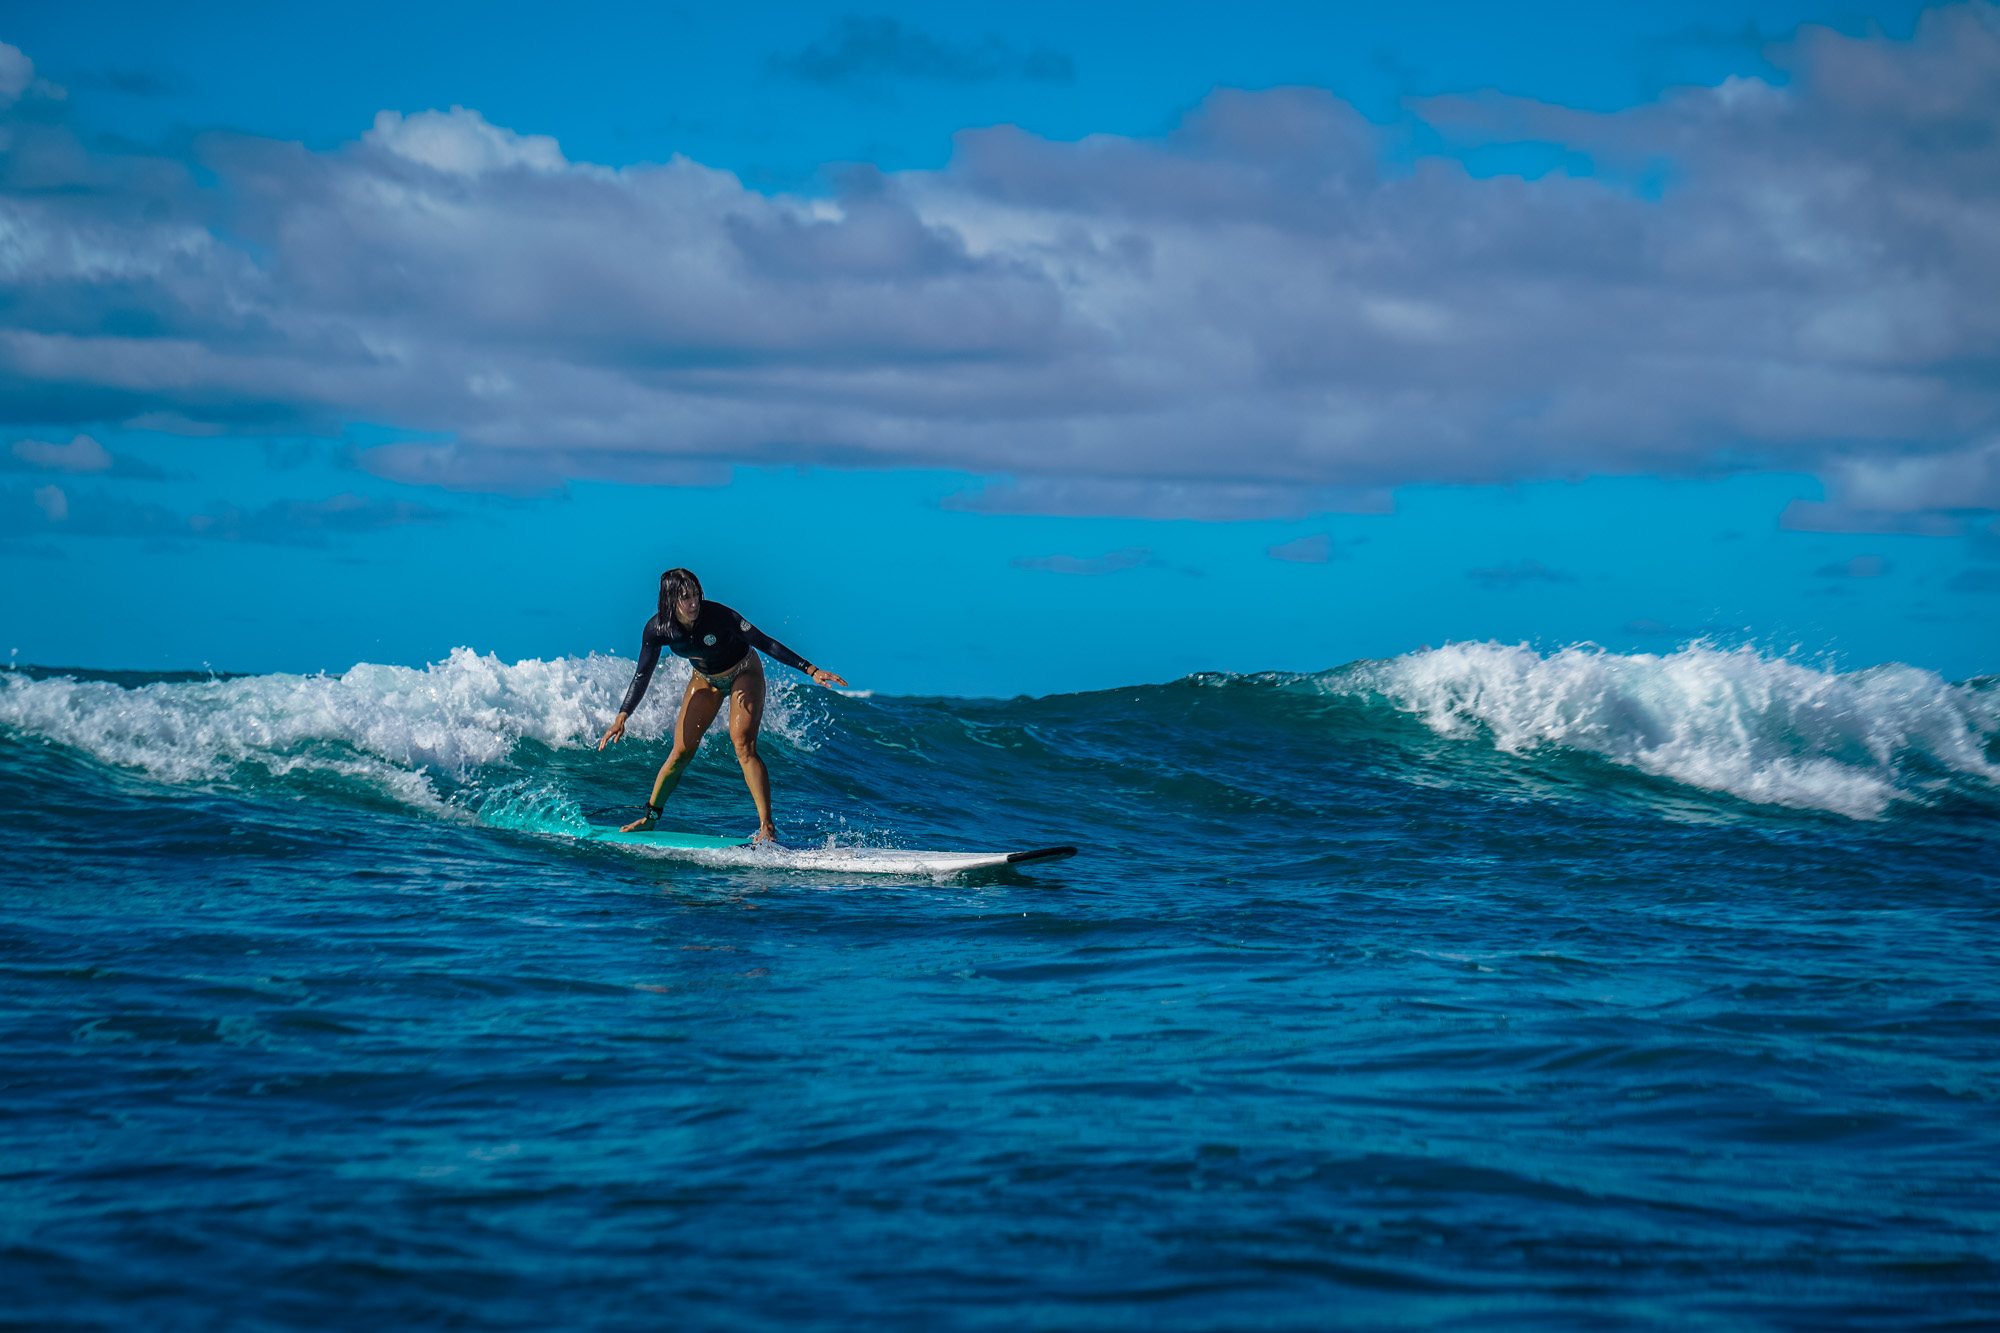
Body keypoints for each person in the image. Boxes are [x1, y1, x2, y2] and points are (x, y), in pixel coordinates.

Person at [597, 568, 847, 843]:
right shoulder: (657, 629)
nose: (694, 604)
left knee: (742, 744)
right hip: (705, 679)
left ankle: (767, 828)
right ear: (670, 601)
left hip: (743, 671)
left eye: (696, 595)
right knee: (680, 752)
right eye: (685, 598)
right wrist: (623, 716)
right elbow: (642, 674)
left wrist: (811, 670)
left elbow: (765, 642)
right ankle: (650, 818)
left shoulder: (720, 616)